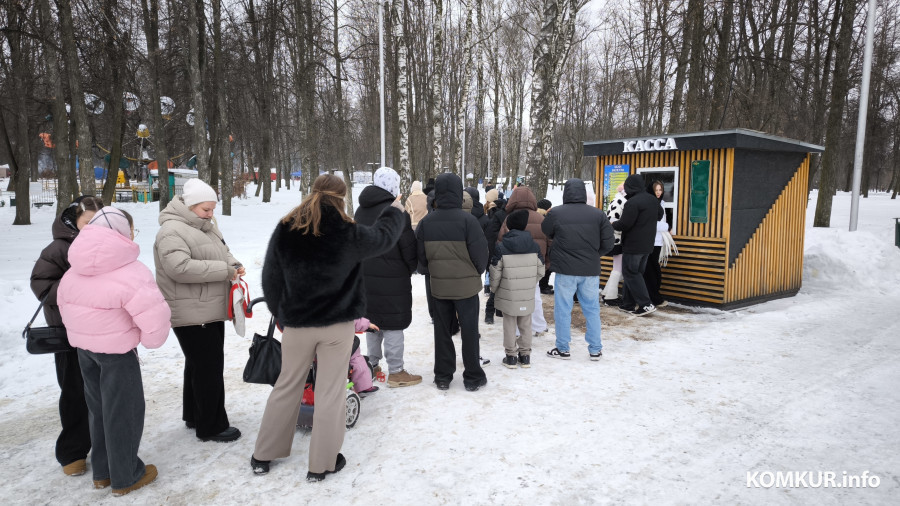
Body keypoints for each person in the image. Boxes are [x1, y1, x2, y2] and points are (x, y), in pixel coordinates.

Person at [252, 174, 405, 479]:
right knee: (330, 392)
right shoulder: (347, 231)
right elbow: (383, 238)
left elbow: (270, 278)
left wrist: (282, 313)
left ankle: (263, 455)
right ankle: (322, 464)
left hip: (297, 325)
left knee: (286, 386)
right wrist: (395, 211)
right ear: (342, 197)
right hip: (336, 326)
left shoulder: (287, 227)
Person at [57, 207, 171, 496]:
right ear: (122, 233)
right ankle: (126, 475)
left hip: (85, 350)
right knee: (124, 411)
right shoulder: (130, 270)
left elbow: (64, 303)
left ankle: (103, 472)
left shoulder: (75, 266)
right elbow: (154, 315)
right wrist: (151, 339)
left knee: (98, 410)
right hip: (117, 353)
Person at [154, 178, 245, 442]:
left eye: (212, 209)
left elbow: (223, 252)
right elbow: (179, 268)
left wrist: (234, 265)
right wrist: (224, 271)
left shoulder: (206, 227)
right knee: (209, 369)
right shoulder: (171, 231)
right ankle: (212, 426)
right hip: (191, 311)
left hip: (206, 307)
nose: (210, 213)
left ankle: (195, 415)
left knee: (198, 365)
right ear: (190, 206)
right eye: (206, 209)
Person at [30, 195, 103, 478]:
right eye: (88, 222)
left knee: (104, 392)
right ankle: (72, 453)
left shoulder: (106, 246)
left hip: (101, 331)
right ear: (74, 221)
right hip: (69, 333)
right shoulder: (59, 248)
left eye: (99, 222)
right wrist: (77, 284)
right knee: (74, 393)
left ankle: (107, 446)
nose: (94, 228)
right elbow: (41, 285)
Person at [416, 173, 489, 391]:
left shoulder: (426, 222)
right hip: (467, 288)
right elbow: (481, 255)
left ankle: (443, 376)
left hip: (440, 287)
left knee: (442, 332)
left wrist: (433, 271)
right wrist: (474, 272)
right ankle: (473, 376)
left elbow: (421, 259)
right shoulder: (469, 221)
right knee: (469, 331)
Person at [356, 167, 422, 388]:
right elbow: (408, 247)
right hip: (393, 278)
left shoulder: (360, 211)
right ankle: (396, 371)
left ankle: (371, 365)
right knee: (393, 323)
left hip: (366, 276)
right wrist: (412, 267)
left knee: (372, 321)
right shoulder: (396, 212)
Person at [540, 178, 614, 361]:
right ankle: (595, 349)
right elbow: (609, 242)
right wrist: (594, 255)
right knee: (592, 309)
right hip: (590, 270)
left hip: (565, 270)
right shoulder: (598, 214)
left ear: (566, 192)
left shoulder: (556, 212)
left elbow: (546, 230)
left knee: (563, 309)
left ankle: (563, 348)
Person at [490, 210, 545, 369]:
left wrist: (495, 289)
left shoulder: (501, 247)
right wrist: (529, 283)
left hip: (508, 293)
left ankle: (511, 357)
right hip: (527, 292)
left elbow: (495, 272)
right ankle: (525, 356)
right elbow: (541, 270)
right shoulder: (534, 246)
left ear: (508, 226)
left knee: (509, 324)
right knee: (526, 323)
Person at [498, 186, 550, 337]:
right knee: (535, 296)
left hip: (512, 266)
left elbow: (500, 241)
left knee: (514, 297)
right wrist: (545, 263)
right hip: (534, 265)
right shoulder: (540, 218)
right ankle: (539, 326)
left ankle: (515, 330)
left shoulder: (509, 218)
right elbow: (549, 242)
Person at [612, 174, 665, 316]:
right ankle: (628, 304)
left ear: (630, 187)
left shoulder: (633, 202)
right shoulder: (652, 200)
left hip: (633, 245)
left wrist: (612, 224)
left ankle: (646, 304)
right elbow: (660, 215)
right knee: (635, 274)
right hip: (648, 245)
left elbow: (624, 224)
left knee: (631, 273)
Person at [482, 188, 507, 324]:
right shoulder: (500, 214)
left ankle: (493, 311)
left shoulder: (495, 213)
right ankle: (492, 311)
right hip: (499, 251)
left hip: (495, 251)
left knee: (496, 283)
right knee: (497, 283)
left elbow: (490, 237)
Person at [642, 180, 669, 307]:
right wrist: (666, 227)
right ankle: (653, 297)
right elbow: (651, 223)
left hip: (658, 242)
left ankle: (654, 296)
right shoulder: (650, 203)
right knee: (650, 270)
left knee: (654, 270)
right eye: (656, 190)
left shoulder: (662, 203)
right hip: (649, 240)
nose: (658, 192)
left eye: (660, 190)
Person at [601, 183, 627, 305]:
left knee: (617, 269)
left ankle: (607, 293)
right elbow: (612, 221)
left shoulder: (617, 201)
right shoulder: (620, 202)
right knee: (618, 269)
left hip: (616, 240)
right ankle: (610, 297)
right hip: (618, 240)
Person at [536, 198, 554, 294]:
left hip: (536, 245)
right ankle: (543, 286)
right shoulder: (545, 217)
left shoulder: (534, 215)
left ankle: (542, 285)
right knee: (547, 266)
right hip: (544, 245)